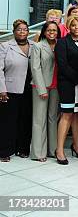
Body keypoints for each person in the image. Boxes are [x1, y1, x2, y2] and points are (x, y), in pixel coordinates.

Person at [55, 15, 78, 164]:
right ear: (68, 27)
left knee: (77, 115)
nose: (76, 28)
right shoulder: (62, 43)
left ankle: (76, 146)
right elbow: (63, 66)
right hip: (68, 84)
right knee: (67, 115)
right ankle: (60, 150)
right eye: (73, 25)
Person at [0, 20, 33, 161]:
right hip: (10, 88)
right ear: (14, 31)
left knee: (25, 119)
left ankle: (22, 148)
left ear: (28, 31)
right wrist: (2, 89)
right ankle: (4, 151)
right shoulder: (5, 46)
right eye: (19, 29)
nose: (22, 32)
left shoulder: (34, 46)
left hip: (29, 88)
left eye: (24, 29)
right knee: (8, 121)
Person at [29, 21, 60, 162]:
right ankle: (38, 153)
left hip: (56, 86)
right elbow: (35, 68)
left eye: (54, 30)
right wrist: (41, 89)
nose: (52, 33)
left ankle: (53, 150)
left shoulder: (60, 44)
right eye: (49, 30)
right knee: (39, 119)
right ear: (44, 31)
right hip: (41, 87)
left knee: (53, 119)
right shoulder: (38, 46)